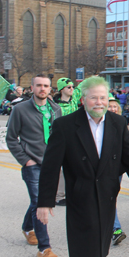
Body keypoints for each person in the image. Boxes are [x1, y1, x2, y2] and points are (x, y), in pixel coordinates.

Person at [36, 76, 129, 257]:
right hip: (81, 197)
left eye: (103, 98)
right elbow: (50, 167)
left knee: (101, 247)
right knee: (87, 248)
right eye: (94, 98)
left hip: (108, 195)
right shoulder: (65, 126)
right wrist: (44, 202)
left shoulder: (117, 123)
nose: (99, 103)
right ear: (83, 99)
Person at [6, 74, 61, 257]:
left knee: (38, 201)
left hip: (51, 164)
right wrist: (25, 160)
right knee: (40, 202)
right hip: (33, 164)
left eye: (46, 85)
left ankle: (27, 228)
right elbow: (11, 138)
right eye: (39, 85)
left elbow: (59, 137)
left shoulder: (56, 109)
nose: (42, 89)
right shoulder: (20, 110)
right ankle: (44, 248)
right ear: (32, 87)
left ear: (50, 88)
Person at [52, 78, 84, 206]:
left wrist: (95, 76)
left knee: (75, 165)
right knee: (59, 168)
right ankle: (59, 196)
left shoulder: (75, 99)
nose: (72, 89)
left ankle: (73, 193)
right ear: (61, 90)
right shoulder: (54, 106)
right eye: (68, 87)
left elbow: (83, 86)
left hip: (75, 137)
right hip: (60, 138)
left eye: (72, 87)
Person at [107, 94, 128, 245]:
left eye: (115, 106)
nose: (113, 108)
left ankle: (110, 227)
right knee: (109, 198)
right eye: (110, 106)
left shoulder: (121, 123)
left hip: (116, 168)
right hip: (102, 169)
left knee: (110, 197)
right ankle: (115, 229)